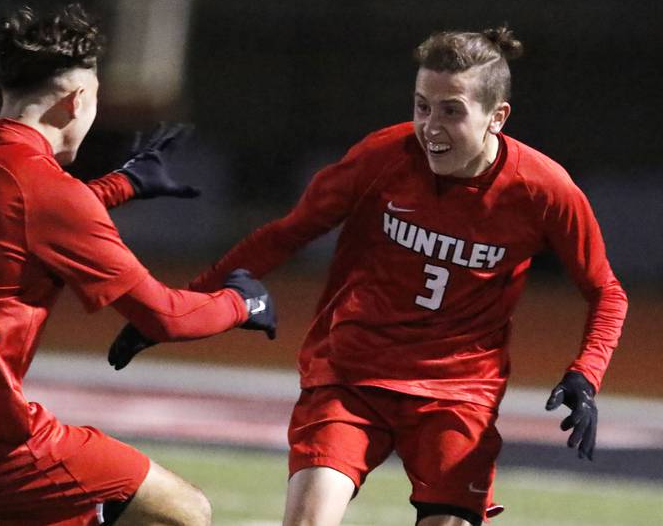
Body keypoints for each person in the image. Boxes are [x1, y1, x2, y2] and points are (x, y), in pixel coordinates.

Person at [115, 26, 629, 525]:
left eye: (452, 111)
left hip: (459, 393)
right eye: (422, 105)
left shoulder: (544, 190)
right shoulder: (382, 157)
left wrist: (586, 373)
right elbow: (283, 236)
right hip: (351, 375)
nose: (430, 125)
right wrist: (176, 310)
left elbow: (605, 291)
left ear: (498, 117)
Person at [0, 3, 276, 526]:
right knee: (184, 513)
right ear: (78, 100)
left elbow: (12, 219)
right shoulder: (46, 190)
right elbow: (167, 316)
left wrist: (120, 185)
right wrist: (244, 302)